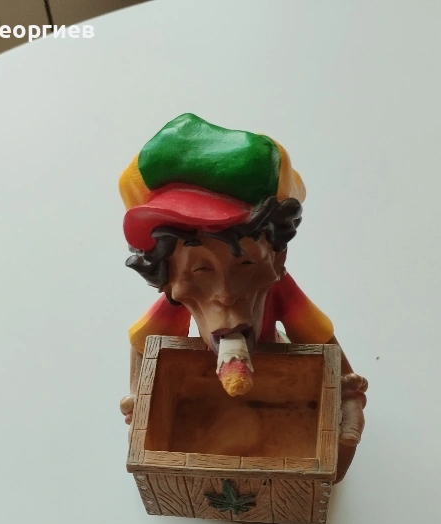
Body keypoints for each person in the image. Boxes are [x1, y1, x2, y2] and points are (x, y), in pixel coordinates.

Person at [118, 113, 367, 480]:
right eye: (200, 271)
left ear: (276, 259)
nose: (224, 296)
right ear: (168, 277)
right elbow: (143, 345)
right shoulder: (174, 299)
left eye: (247, 264)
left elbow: (321, 340)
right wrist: (139, 398)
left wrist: (348, 395)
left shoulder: (280, 289)